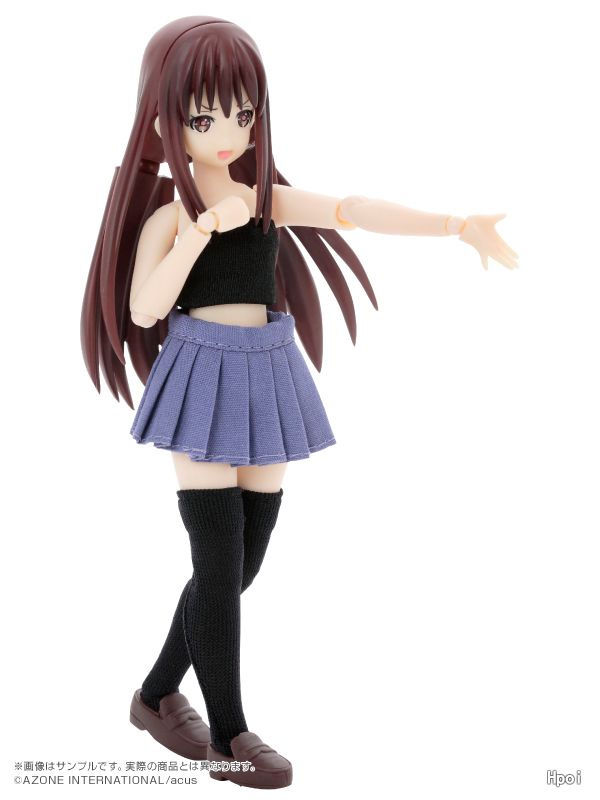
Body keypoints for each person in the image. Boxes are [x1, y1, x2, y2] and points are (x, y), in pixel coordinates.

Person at [80, 15, 518, 790]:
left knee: (240, 565)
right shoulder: (169, 215)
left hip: (266, 375)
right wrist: (198, 230)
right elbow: (146, 308)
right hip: (200, 376)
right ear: (161, 118)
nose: (228, 134)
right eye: (205, 119)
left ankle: (153, 695)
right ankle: (230, 734)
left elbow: (349, 208)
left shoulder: (267, 200)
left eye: (243, 114)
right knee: (218, 565)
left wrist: (454, 225)